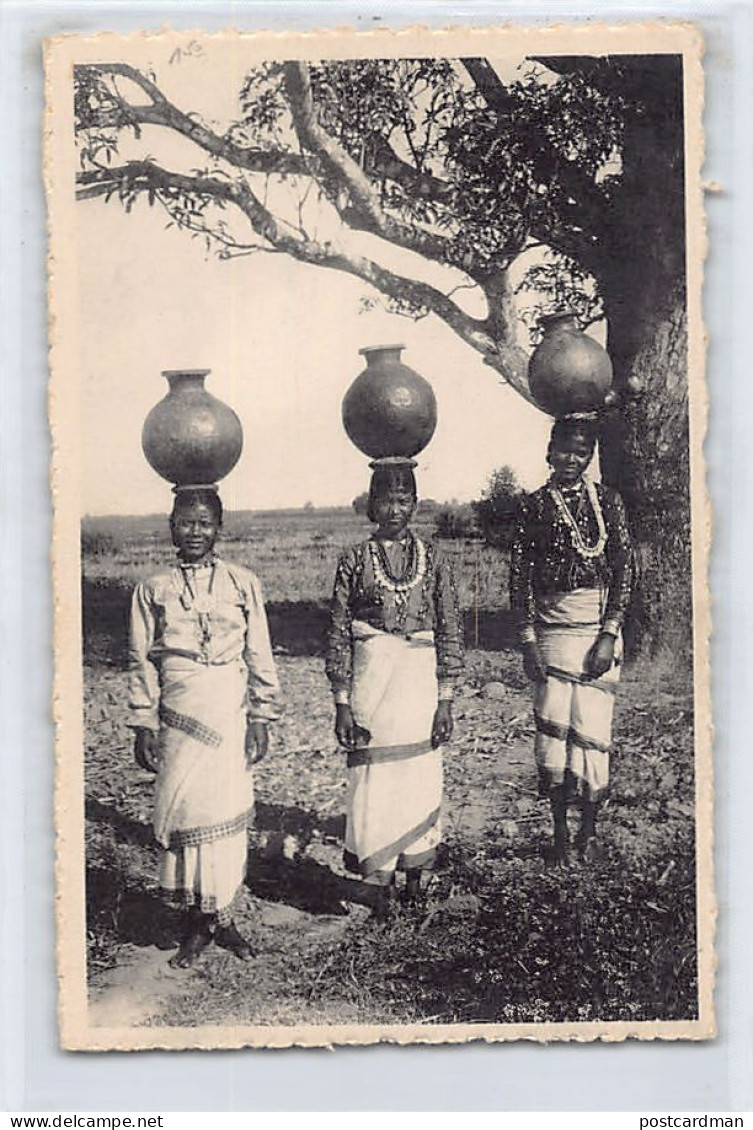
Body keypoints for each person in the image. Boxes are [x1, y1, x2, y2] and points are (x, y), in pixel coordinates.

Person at [128, 487, 281, 967]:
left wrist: (262, 715)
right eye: (186, 522)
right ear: (172, 524)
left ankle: (224, 917)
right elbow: (140, 663)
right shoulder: (153, 590)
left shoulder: (242, 584)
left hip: (228, 713)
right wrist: (142, 723)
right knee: (186, 816)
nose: (195, 531)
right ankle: (195, 924)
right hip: (178, 717)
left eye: (205, 523)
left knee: (225, 816)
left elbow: (260, 653)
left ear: (220, 527)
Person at [325, 459, 464, 917]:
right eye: (385, 499)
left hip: (419, 687)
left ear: (416, 504)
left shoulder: (435, 560)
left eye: (404, 499)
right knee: (376, 779)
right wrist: (342, 704)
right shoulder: (354, 560)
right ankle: (380, 887)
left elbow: (450, 631)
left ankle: (415, 880)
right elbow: (339, 632)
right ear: (370, 504)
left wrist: (446, 700)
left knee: (418, 776)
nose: (395, 509)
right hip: (372, 685)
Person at [509, 415, 634, 863]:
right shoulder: (534, 507)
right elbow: (519, 578)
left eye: (582, 452)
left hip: (598, 633)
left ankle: (590, 835)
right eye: (564, 449)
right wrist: (528, 642)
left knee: (594, 734)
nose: (572, 459)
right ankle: (560, 836)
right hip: (551, 634)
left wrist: (609, 632)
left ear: (591, 456)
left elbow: (624, 570)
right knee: (554, 738)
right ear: (549, 450)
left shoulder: (609, 502)